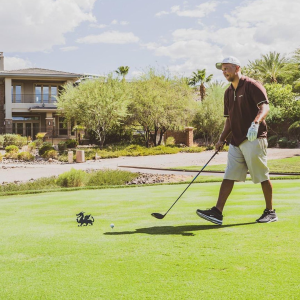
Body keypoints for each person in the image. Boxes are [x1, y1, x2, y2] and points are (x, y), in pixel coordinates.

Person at [196, 56, 278, 225]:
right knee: (229, 175)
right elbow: (229, 120)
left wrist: (255, 123)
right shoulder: (227, 92)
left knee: (261, 175)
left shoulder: (252, 85)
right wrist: (221, 139)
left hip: (254, 138)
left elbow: (265, 107)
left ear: (237, 68)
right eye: (223, 69)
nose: (224, 72)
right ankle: (217, 212)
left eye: (227, 68)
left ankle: (270, 212)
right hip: (236, 141)